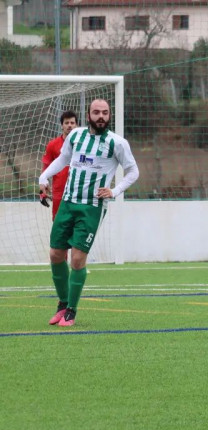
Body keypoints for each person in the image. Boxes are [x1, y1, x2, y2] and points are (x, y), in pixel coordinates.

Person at [38, 99, 139, 327]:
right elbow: (63, 159)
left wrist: (114, 190)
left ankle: (72, 310)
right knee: (55, 255)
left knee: (77, 259)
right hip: (67, 202)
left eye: (105, 112)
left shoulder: (117, 143)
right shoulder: (75, 136)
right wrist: (43, 176)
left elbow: (133, 171)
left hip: (92, 207)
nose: (101, 116)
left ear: (109, 115)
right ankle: (62, 304)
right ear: (89, 114)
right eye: (96, 112)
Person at [40, 110, 79, 220]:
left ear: (77, 125)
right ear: (62, 125)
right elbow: (46, 168)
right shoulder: (53, 145)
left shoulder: (83, 145)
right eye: (66, 123)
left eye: (72, 123)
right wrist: (42, 189)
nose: (69, 126)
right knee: (58, 225)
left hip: (78, 191)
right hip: (59, 192)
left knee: (76, 225)